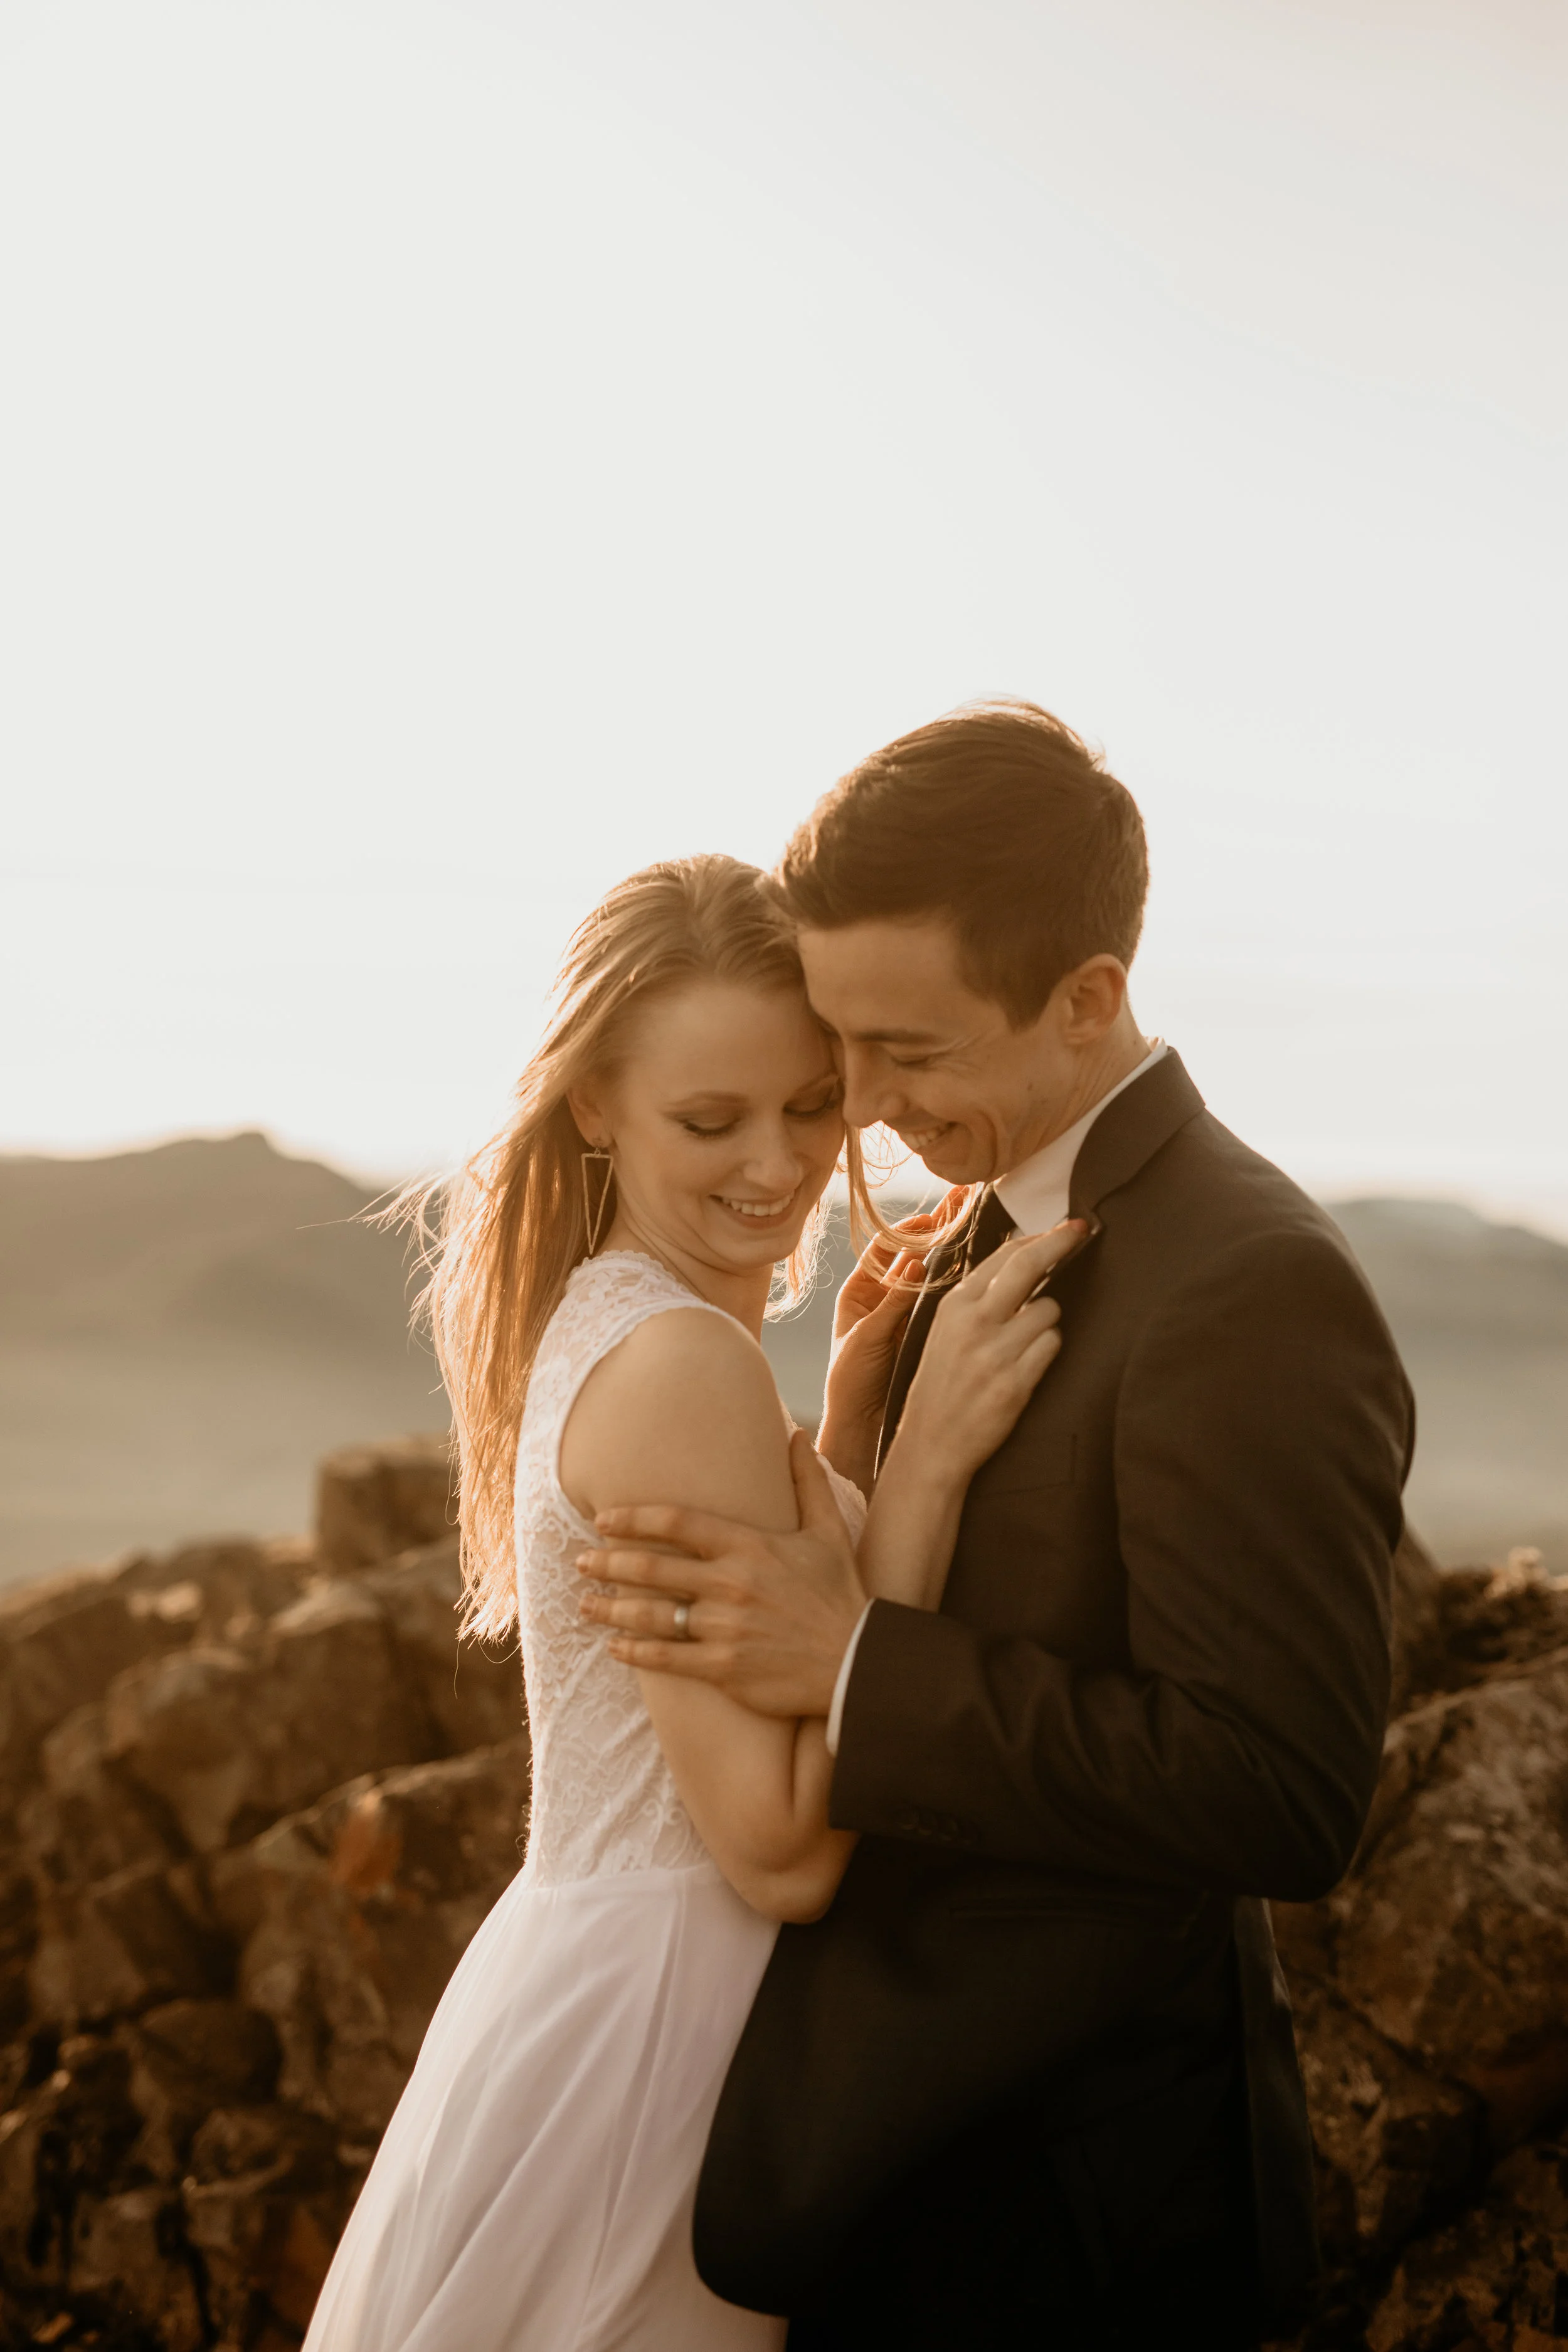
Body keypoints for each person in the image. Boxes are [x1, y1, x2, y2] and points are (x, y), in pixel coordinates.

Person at [576, 702, 1416, 2350]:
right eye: (843, 1040)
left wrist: (858, 1660)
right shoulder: (986, 1219)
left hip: (1078, 2215)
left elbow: (1277, 1786)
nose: (860, 1105)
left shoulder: (1247, 1283)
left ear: (1086, 995)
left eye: (907, 1047)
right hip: (900, 2163)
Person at [302, 852, 1077, 2351]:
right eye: (708, 1120)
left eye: (809, 1102)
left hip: (591, 1987)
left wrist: (843, 1444)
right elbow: (778, 1851)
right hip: (660, 2040)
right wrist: (913, 1487)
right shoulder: (681, 1364)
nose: (778, 1167)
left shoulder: (610, 1316)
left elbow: (751, 1661)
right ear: (592, 1102)